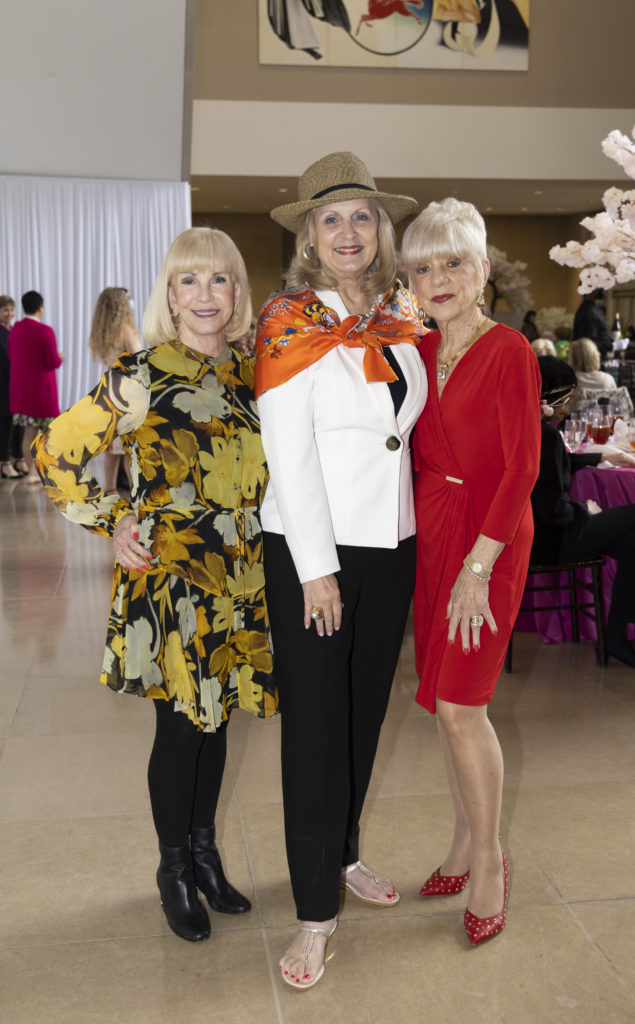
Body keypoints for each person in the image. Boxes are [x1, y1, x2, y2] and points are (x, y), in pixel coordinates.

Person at [32, 227, 276, 943]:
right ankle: (172, 866)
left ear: (237, 293)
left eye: (219, 280)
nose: (205, 295)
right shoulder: (138, 374)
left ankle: (204, 854)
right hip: (171, 583)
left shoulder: (251, 374)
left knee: (218, 718)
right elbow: (53, 451)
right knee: (180, 726)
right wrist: (112, 520)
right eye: (188, 281)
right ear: (169, 294)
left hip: (240, 576)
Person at [254, 151, 427, 989]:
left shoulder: (397, 314)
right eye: (331, 219)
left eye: (362, 217)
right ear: (309, 238)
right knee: (317, 731)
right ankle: (315, 914)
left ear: (379, 229)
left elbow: (397, 435)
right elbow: (288, 457)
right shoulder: (291, 318)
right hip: (310, 553)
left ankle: (345, 851)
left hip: (389, 545)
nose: (348, 232)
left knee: (362, 718)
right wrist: (314, 571)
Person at [400, 197, 541, 946]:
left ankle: (488, 861)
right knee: (442, 708)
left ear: (480, 269)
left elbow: (521, 467)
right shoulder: (417, 353)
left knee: (462, 705)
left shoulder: (509, 349)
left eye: (452, 262)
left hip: (487, 543)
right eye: (421, 267)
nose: (438, 278)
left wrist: (477, 568)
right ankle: (461, 839)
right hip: (433, 536)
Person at [531, 356, 635, 669]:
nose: (569, 406)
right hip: (552, 541)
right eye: (567, 397)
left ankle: (619, 635)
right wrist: (584, 508)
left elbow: (552, 468)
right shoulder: (545, 435)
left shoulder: (528, 428)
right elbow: (551, 510)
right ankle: (634, 628)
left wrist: (600, 458)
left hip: (538, 538)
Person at [88, 287, 143, 494]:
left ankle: (110, 491)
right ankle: (136, 492)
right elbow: (139, 357)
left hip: (110, 390)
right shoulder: (125, 329)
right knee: (130, 448)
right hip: (128, 392)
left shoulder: (103, 331)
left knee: (113, 447)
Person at [8, 290, 64, 483]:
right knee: (48, 435)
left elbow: (11, 356)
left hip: (23, 391)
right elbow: (52, 361)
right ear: (41, 308)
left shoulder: (15, 329)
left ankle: (31, 471)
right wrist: (61, 357)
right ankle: (37, 473)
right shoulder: (45, 331)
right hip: (43, 392)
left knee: (28, 434)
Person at [0, 295, 25, 478]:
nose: (9, 313)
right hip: (4, 383)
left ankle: (18, 458)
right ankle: (4, 463)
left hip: (14, 383)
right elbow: (6, 360)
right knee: (6, 422)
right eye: (5, 310)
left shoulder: (9, 330)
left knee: (17, 422)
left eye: (11, 310)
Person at [572, 287, 611, 360]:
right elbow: (588, 342)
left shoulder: (593, 308)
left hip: (596, 356)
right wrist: (611, 345)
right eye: (595, 287)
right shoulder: (588, 312)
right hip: (591, 359)